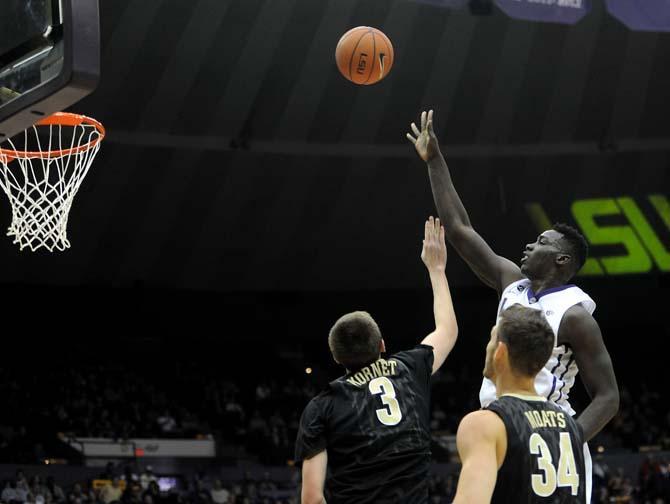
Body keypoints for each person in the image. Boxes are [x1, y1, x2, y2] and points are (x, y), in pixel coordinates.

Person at [407, 109, 619, 501]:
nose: (529, 245)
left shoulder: (575, 316)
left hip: (549, 430)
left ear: (562, 261)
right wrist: (435, 160)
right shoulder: (511, 282)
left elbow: (608, 396)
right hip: (502, 422)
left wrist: (569, 438)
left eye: (541, 242)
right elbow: (460, 230)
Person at [295, 217, 458, 503]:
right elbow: (447, 329)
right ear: (382, 345)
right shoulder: (408, 369)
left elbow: (311, 497)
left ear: (336, 357)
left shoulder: (321, 406)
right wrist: (437, 269)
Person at [454, 304, 587, 503]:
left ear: (500, 352)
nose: (487, 346)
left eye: (491, 339)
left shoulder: (484, 424)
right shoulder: (571, 426)